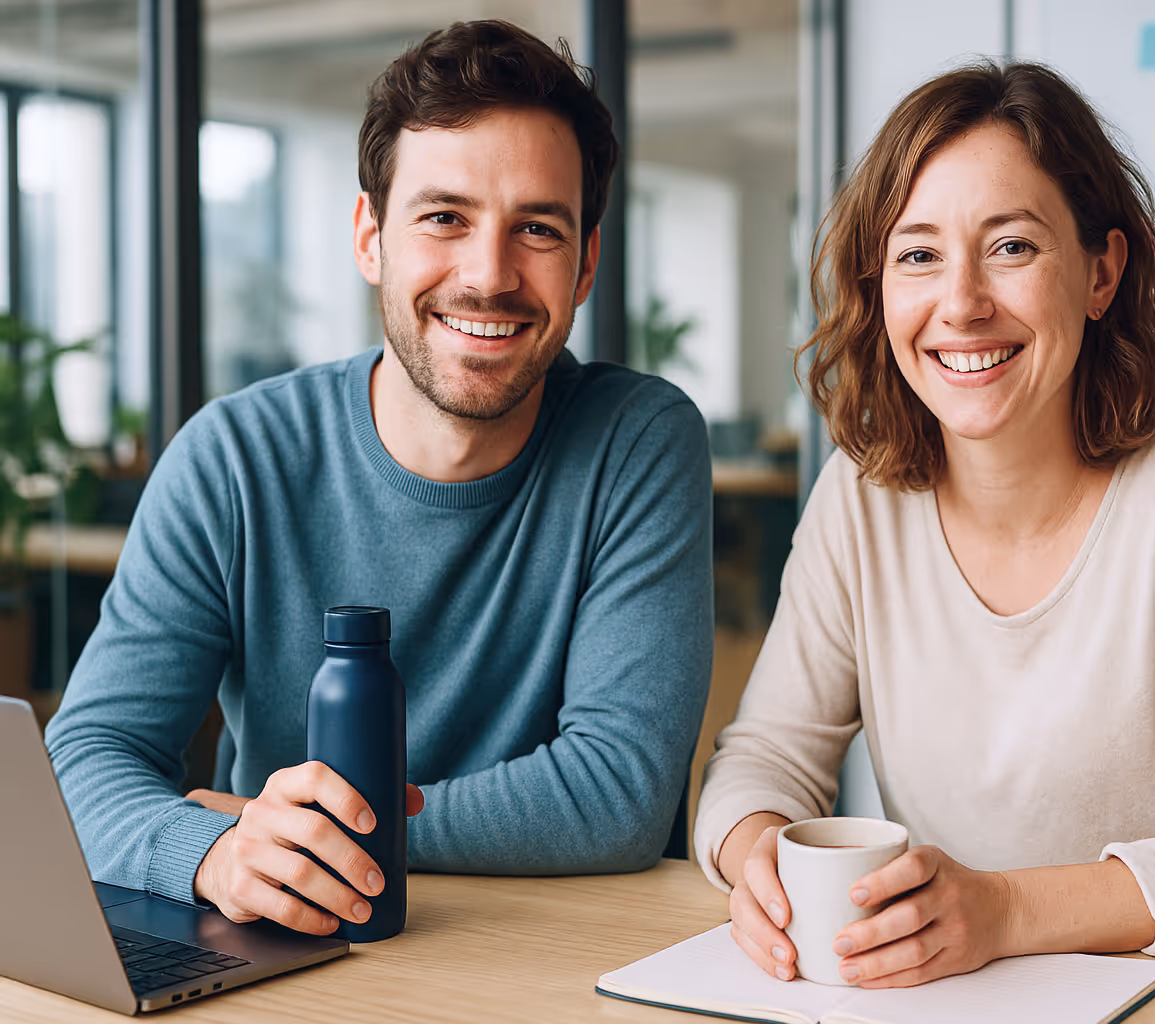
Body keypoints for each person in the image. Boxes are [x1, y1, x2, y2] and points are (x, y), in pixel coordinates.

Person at [46, 20, 713, 938]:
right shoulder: (233, 458)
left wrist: (310, 837)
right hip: (291, 949)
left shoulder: (636, 440)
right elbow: (88, 754)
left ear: (587, 262)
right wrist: (208, 852)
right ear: (371, 236)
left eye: (539, 230)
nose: (489, 274)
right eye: (445, 217)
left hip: (558, 956)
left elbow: (618, 791)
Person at [695, 61, 1155, 989]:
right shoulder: (860, 495)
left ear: (1101, 271)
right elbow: (761, 754)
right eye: (918, 255)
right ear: (879, 292)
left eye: (1010, 248)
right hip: (951, 1001)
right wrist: (754, 851)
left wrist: (1003, 913)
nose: (961, 303)